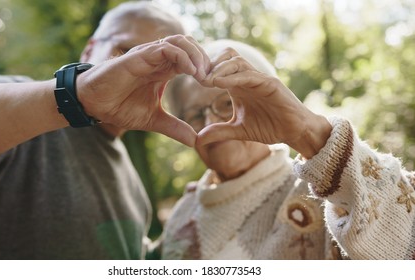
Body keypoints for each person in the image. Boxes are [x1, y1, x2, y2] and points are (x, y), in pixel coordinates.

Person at [0, 1, 209, 259]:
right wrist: (78, 96)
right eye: (127, 50)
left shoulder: (134, 188)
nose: (144, 71)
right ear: (89, 51)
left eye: (162, 66)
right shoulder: (20, 105)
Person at [161, 39, 415, 259]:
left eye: (227, 104)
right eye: (195, 114)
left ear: (264, 104)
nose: (210, 123)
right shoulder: (183, 212)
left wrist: (310, 134)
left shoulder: (321, 193)